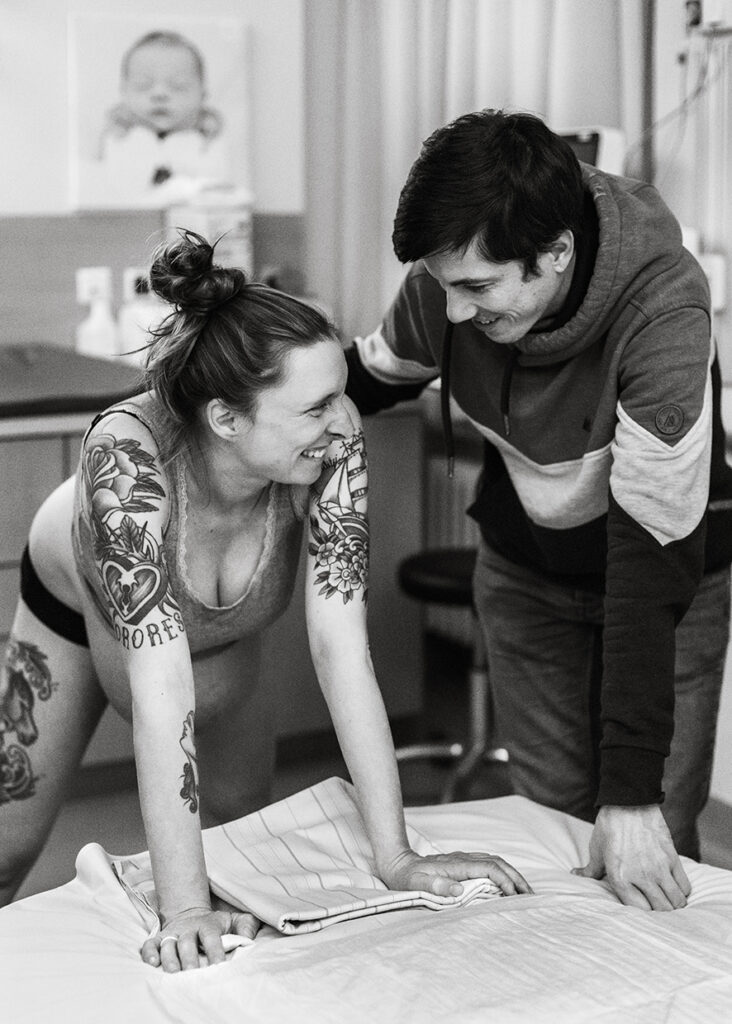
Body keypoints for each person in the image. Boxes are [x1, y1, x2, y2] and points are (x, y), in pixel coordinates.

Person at [0, 230, 530, 972]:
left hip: (224, 628)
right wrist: (183, 911)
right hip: (77, 602)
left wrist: (398, 855)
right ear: (226, 419)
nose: (344, 422)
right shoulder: (127, 458)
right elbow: (159, 691)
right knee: (8, 848)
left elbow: (342, 650)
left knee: (243, 840)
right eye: (315, 407)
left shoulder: (332, 445)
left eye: (342, 394)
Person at [345, 109, 732, 912]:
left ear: (556, 251)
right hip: (526, 575)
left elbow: (649, 558)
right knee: (552, 835)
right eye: (444, 286)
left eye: (477, 289)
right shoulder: (448, 282)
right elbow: (365, 379)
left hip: (665, 584)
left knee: (653, 840)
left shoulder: (663, 310)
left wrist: (632, 795)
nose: (455, 313)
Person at [97, 30, 231, 202]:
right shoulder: (117, 139)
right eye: (143, 85)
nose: (159, 94)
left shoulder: (210, 143)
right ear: (124, 92)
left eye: (178, 86)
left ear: (203, 94)